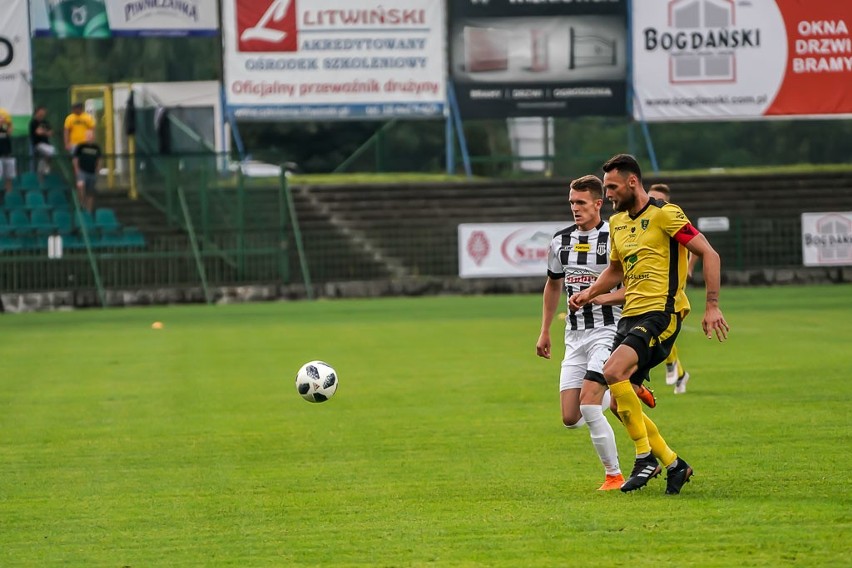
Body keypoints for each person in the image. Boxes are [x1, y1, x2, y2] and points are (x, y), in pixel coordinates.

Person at [570, 154, 729, 495]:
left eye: (612, 187)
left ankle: (644, 458)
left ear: (632, 182)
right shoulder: (617, 224)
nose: (608, 193)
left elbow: (709, 254)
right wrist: (590, 293)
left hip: (662, 314)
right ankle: (674, 464)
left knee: (613, 373)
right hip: (629, 317)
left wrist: (711, 306)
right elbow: (615, 270)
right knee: (616, 403)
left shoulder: (666, 214)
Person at [536, 174, 657, 492]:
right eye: (571, 203)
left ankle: (614, 475)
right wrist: (545, 331)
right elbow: (552, 285)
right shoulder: (560, 241)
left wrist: (600, 296)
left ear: (598, 204)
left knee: (589, 405)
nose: (575, 208)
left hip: (609, 330)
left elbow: (635, 287)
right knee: (570, 417)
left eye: (581, 203)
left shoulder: (615, 236)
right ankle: (626, 388)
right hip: (574, 337)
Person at [647, 183, 697, 394]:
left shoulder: (673, 219)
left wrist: (691, 269)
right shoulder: (646, 222)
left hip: (674, 289)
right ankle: (679, 372)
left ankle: (674, 367)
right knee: (657, 332)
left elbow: (698, 245)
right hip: (653, 288)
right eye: (651, 198)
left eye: (659, 199)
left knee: (661, 331)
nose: (654, 202)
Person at [72, 130, 101, 212]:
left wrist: (98, 169)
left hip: (92, 172)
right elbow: (75, 159)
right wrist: (76, 169)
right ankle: (81, 204)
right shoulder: (81, 146)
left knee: (90, 193)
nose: (89, 137)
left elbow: (98, 159)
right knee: (81, 186)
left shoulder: (96, 148)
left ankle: (89, 210)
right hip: (82, 171)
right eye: (88, 136)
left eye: (91, 136)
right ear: (85, 137)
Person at [29, 106, 57, 180]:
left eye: (43, 112)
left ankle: (43, 170)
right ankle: (42, 171)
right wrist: (45, 132)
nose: (42, 113)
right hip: (37, 144)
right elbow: (38, 132)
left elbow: (51, 133)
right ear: (37, 112)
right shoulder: (33, 122)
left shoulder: (45, 122)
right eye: (40, 112)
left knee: (48, 154)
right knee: (49, 151)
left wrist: (43, 132)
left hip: (46, 144)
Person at [0, 110, 15, 195]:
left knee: (9, 176)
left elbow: (10, 131)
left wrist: (9, 123)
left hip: (8, 155)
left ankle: (9, 193)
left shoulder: (5, 130)